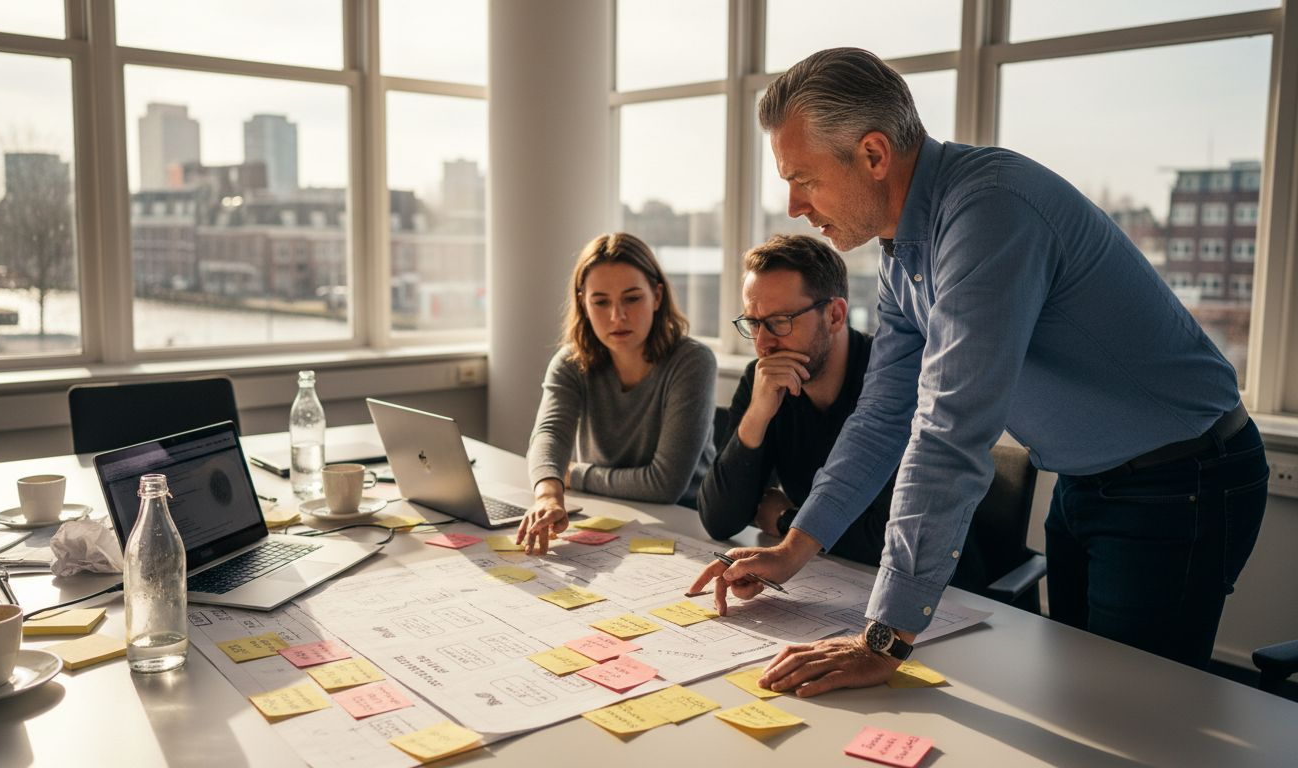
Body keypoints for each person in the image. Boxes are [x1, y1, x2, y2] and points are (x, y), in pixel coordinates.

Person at [689, 47, 1268, 695]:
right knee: (1079, 701)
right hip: (1087, 479)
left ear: (874, 155)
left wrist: (884, 634)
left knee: (1133, 709)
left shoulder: (988, 212)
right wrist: (793, 548)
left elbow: (950, 429)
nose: (794, 205)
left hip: (1182, 477)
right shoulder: (901, 251)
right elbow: (883, 417)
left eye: (804, 178)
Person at [698, 233, 985, 590]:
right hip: (835, 582)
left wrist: (787, 521)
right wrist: (757, 415)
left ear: (834, 315)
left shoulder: (897, 385)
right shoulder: (765, 381)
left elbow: (888, 542)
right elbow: (718, 520)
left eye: (780, 322)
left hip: (943, 595)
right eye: (754, 323)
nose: (763, 343)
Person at [518, 232, 717, 554]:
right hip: (606, 514)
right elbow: (549, 436)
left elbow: (664, 485)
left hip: (687, 529)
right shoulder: (570, 362)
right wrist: (548, 495)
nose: (617, 316)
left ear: (657, 295)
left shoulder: (693, 361)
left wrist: (573, 474)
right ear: (583, 301)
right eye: (601, 302)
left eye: (632, 298)